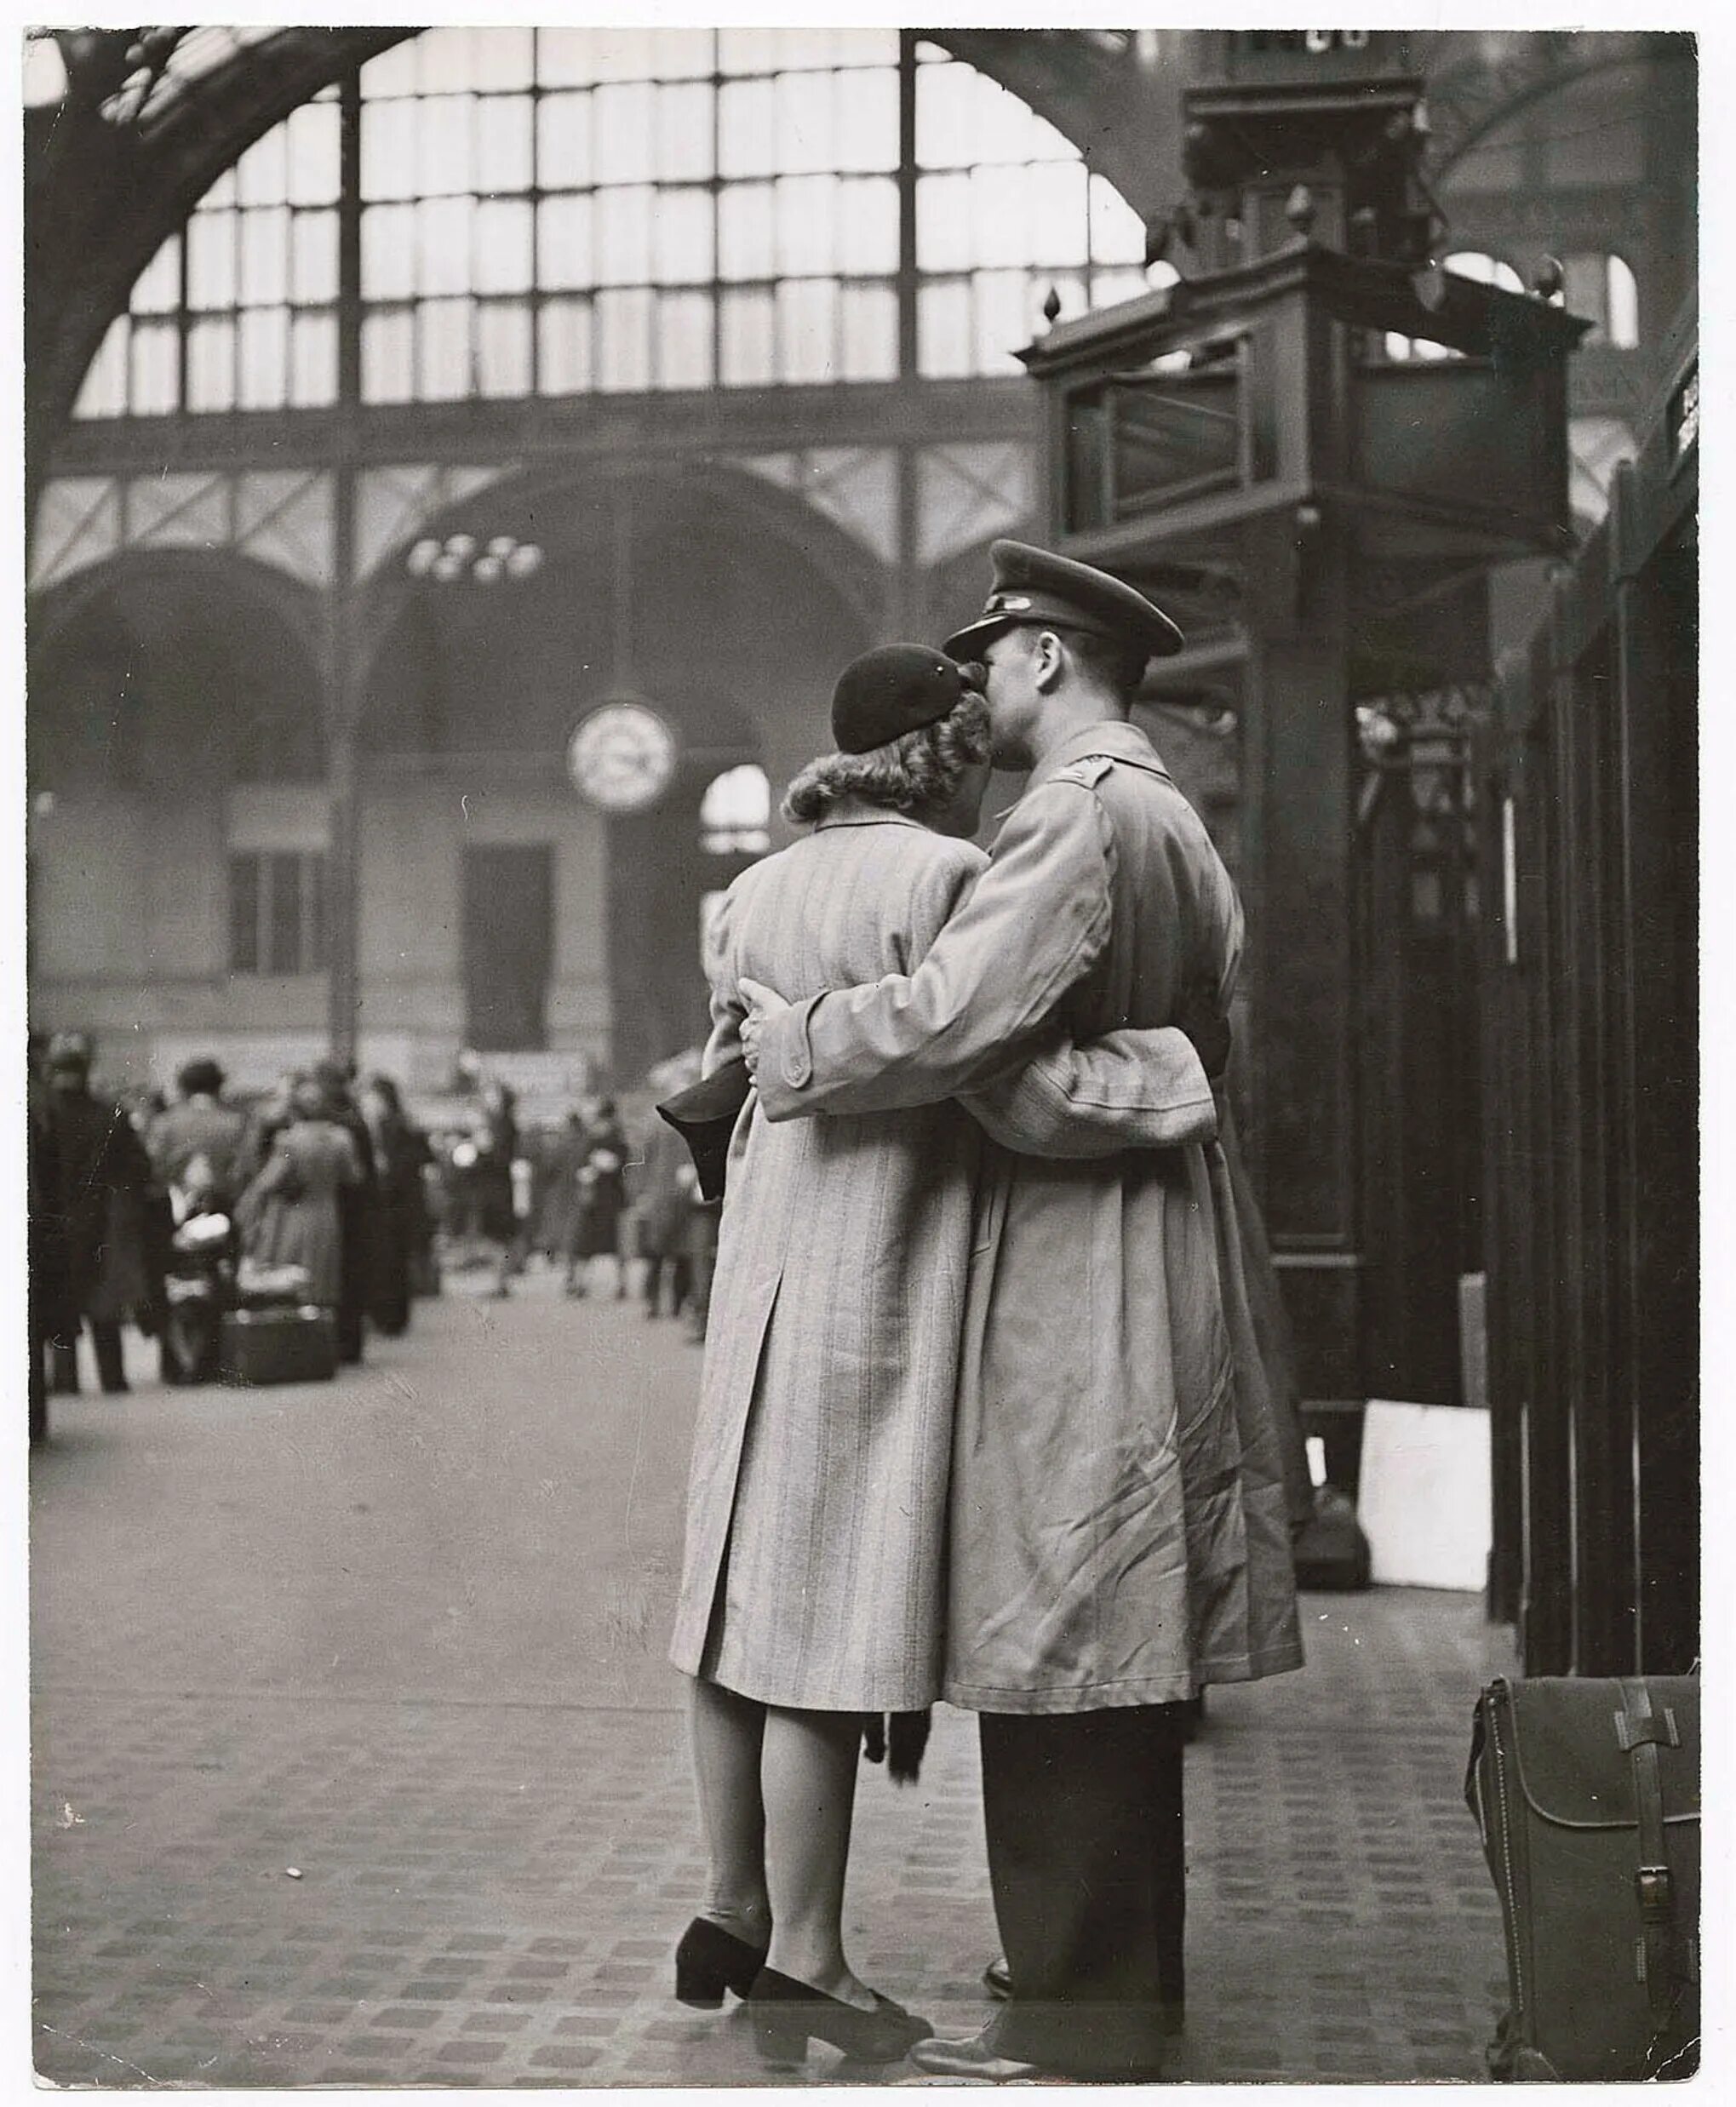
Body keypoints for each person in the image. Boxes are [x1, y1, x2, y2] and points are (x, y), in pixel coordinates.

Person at [742, 547, 1304, 2083]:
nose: (972, 687)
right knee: (1117, 1629)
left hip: (1079, 1261)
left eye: (986, 658)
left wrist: (793, 1037)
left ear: (1045, 658)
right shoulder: (1171, 812)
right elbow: (1204, 1036)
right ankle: (1099, 1984)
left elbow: (949, 1021)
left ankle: (1076, 2023)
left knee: (1069, 1623)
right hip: (1156, 1245)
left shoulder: (1069, 812)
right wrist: (1161, 1081)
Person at [42, 1033, 154, 1396]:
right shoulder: (109, 1114)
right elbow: (139, 1168)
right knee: (103, 1302)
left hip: (52, 1220)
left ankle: (64, 1381)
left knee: (60, 1301)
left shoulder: (40, 1113)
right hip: (103, 1219)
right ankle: (113, 1378)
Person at [235, 1073, 363, 1314]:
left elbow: (267, 1182)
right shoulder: (341, 1138)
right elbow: (353, 1176)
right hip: (328, 1212)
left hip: (293, 1215)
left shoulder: (288, 1141)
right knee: (323, 1279)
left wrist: (247, 1206)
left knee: (293, 1278)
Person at [360, 1074, 432, 1337]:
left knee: (391, 1261)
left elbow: (404, 1165)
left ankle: (391, 1317)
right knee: (395, 1262)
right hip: (400, 1206)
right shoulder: (396, 1124)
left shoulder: (394, 1127)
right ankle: (393, 1316)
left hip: (394, 1205)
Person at [562, 1096, 629, 1298]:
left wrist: (596, 1164)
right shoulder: (602, 1138)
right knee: (590, 1243)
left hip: (605, 1197)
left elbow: (617, 1165)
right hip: (596, 1197)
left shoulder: (611, 1139)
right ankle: (585, 1282)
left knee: (605, 1243)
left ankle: (613, 1283)